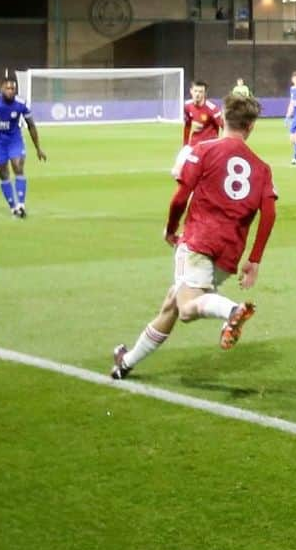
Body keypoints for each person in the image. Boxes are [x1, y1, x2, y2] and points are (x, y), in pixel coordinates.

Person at [111, 94, 278, 379]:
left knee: (186, 308)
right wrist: (255, 259)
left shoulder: (203, 150)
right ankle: (125, 364)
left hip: (199, 240)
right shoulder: (262, 168)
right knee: (172, 303)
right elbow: (269, 213)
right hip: (230, 252)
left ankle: (231, 310)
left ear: (223, 119)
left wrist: (170, 228)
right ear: (251, 127)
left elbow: (180, 198)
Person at [0, 74, 47, 217]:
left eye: (13, 88)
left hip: (14, 140)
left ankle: (21, 205)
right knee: (4, 173)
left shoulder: (22, 104)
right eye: (7, 88)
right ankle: (13, 207)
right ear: (1, 88)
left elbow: (31, 126)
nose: (10, 91)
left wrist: (38, 148)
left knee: (18, 167)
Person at [172, 79, 224, 177]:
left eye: (200, 92)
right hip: (193, 145)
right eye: (195, 91)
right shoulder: (187, 106)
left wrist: (220, 146)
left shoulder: (212, 109)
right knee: (176, 172)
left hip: (208, 147)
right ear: (191, 91)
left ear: (205, 93)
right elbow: (187, 125)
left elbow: (224, 126)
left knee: (205, 175)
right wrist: (185, 144)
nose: (197, 94)